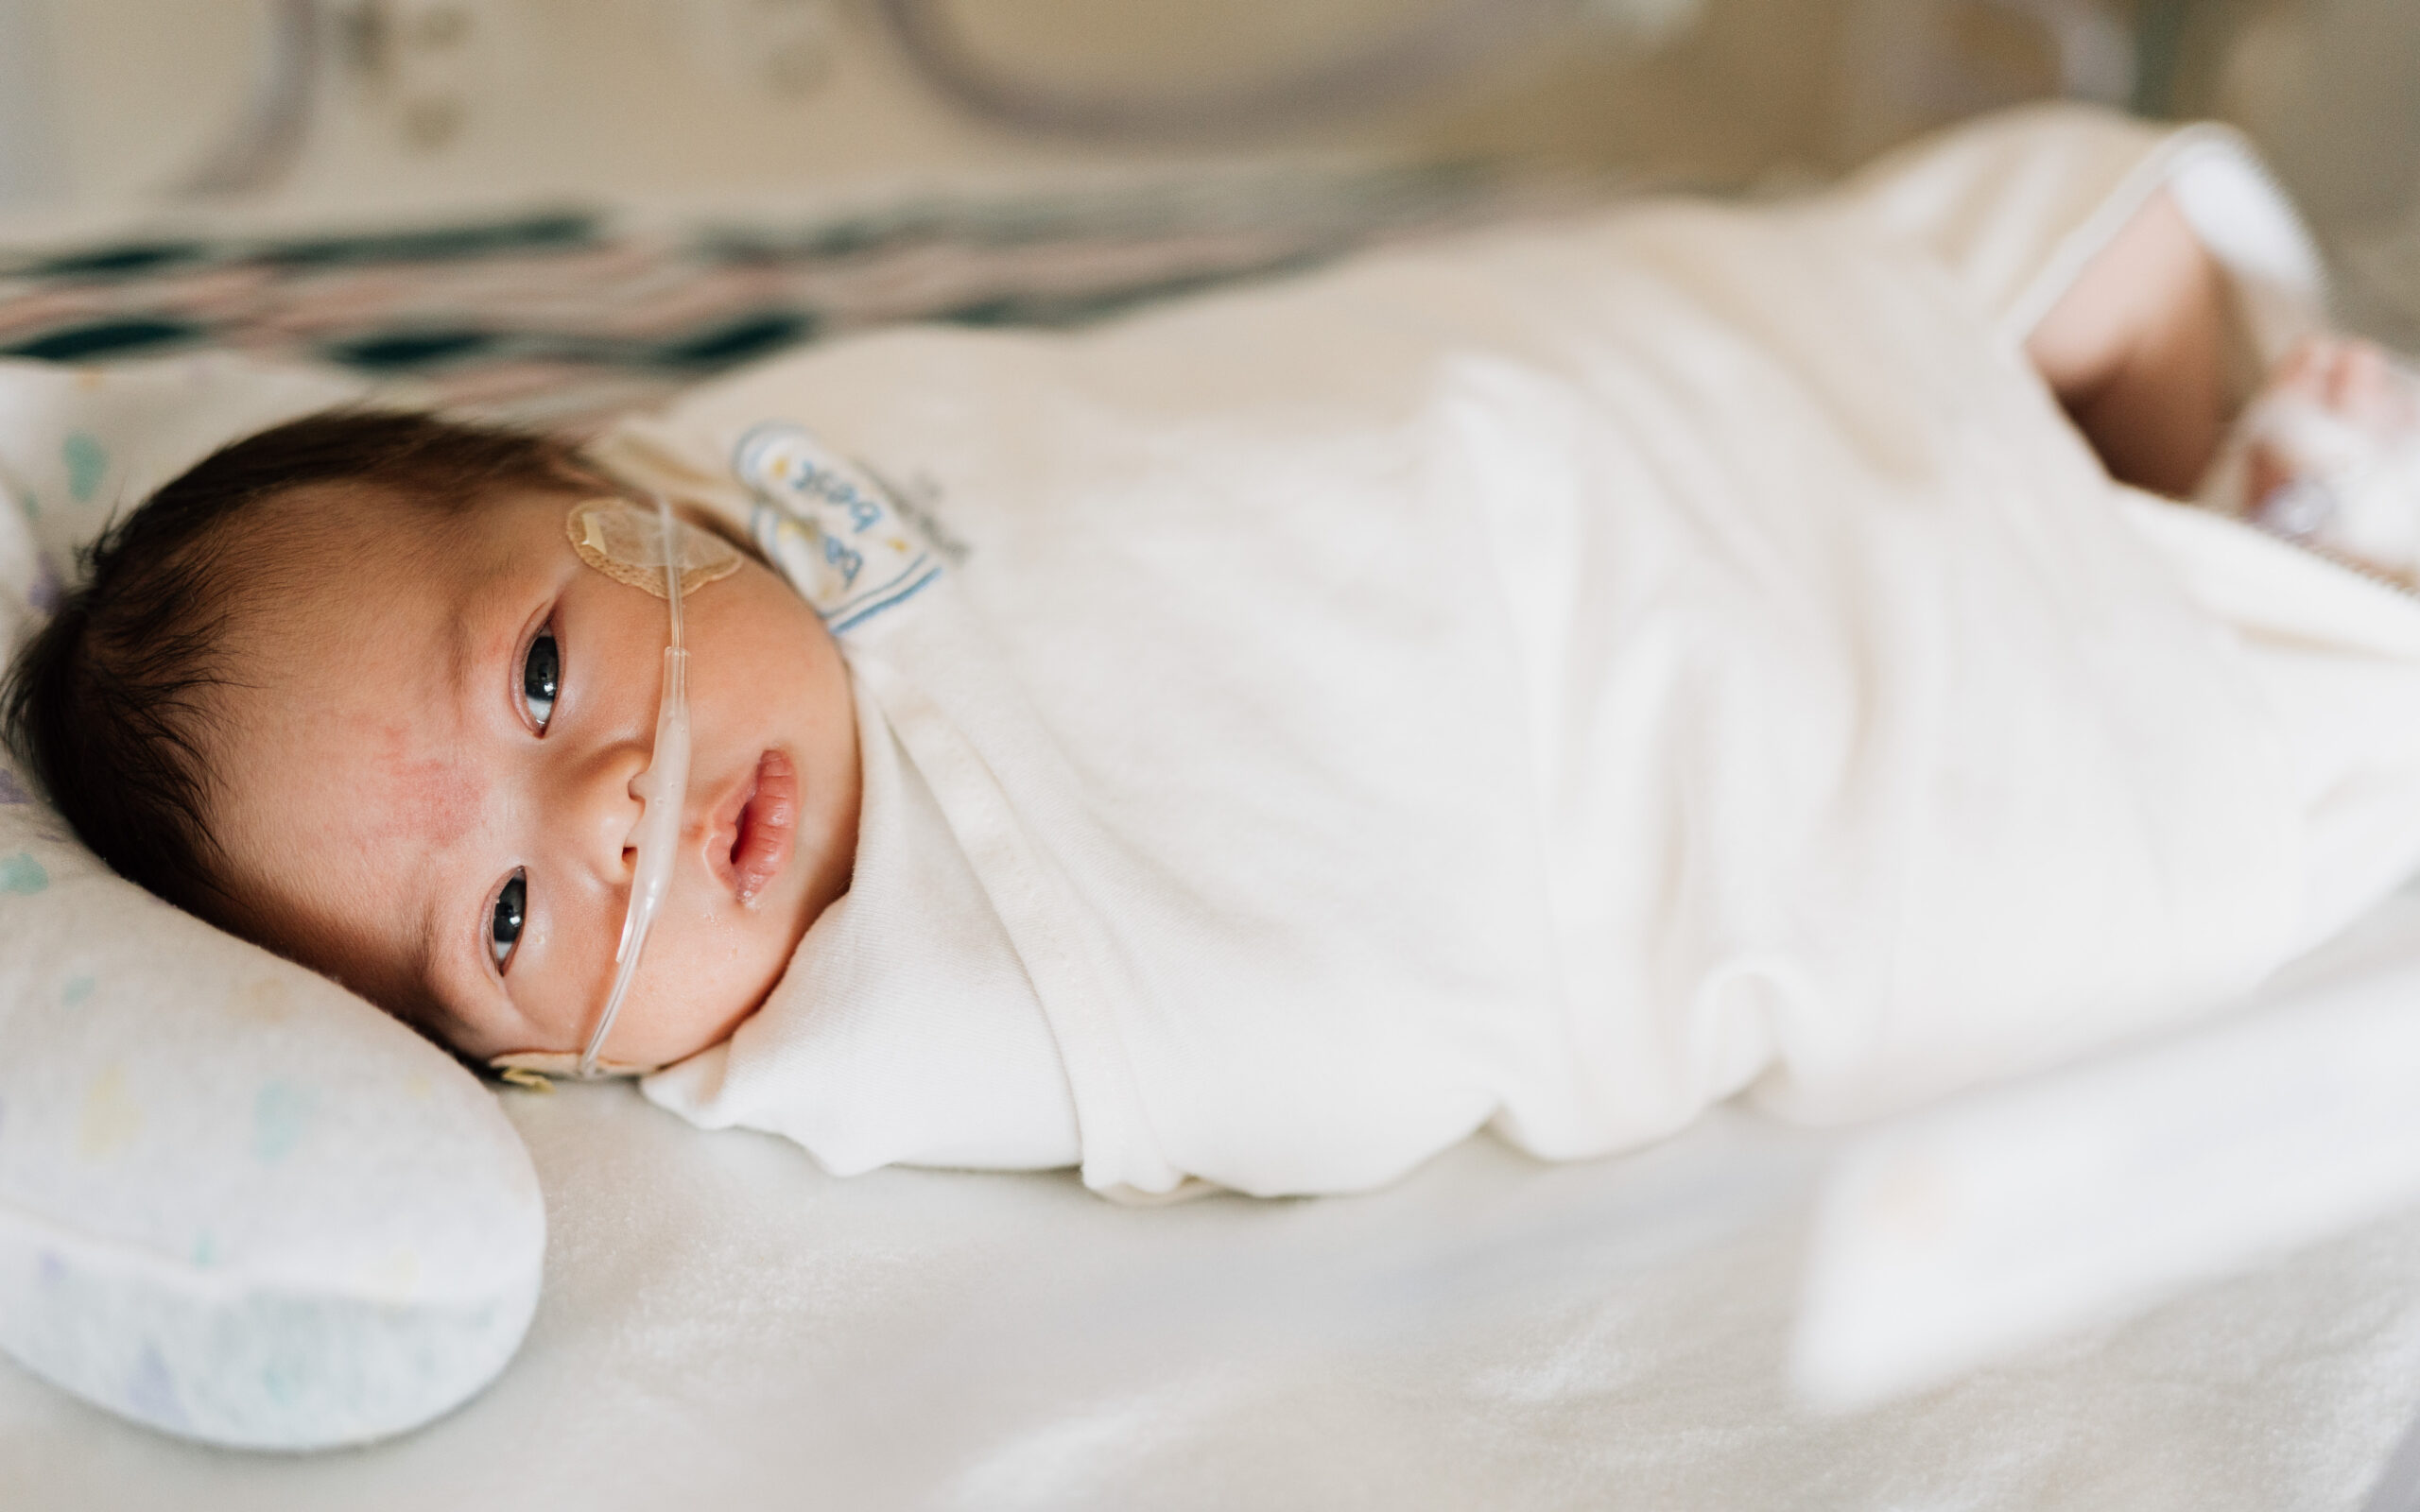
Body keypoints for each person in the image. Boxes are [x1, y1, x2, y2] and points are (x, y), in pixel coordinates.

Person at [14, 105, 2420, 1200]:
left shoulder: (747, 473)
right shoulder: (882, 1029)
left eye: (537, 674)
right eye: (514, 916)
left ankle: (2204, 448)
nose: (613, 807)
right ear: (504, 1061)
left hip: (1650, 395)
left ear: (587, 485)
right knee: (2213, 754)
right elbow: (1356, 999)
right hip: (1762, 712)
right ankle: (2283, 543)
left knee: (2055, 203)